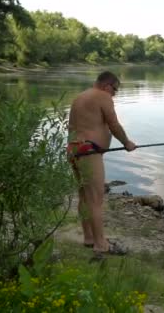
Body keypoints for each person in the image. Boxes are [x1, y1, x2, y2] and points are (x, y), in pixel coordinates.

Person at [67, 71, 137, 256]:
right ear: (107, 86)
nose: (115, 94)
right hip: (89, 151)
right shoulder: (103, 97)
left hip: (74, 150)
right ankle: (100, 244)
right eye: (115, 89)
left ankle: (89, 238)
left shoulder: (80, 97)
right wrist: (127, 143)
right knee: (96, 200)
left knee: (84, 196)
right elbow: (114, 125)